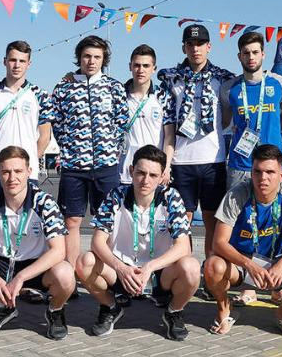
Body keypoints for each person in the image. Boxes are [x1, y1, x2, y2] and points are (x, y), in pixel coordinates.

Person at [0, 146, 75, 340]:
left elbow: (59, 251)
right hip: (0, 261)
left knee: (65, 274)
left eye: (18, 171)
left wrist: (21, 277)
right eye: (6, 172)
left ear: (29, 172)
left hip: (34, 264)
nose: (12, 178)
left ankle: (55, 311)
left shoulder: (44, 202)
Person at [77, 145, 197, 340]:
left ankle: (173, 312)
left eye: (152, 175)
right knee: (85, 261)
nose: (146, 180)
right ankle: (110, 307)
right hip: (122, 272)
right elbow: (97, 242)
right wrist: (121, 268)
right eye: (141, 173)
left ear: (161, 177)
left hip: (159, 273)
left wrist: (150, 267)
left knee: (191, 266)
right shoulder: (116, 195)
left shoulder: (171, 197)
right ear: (131, 171)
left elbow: (184, 246)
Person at [204, 144, 282, 337]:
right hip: (240, 264)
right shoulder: (237, 194)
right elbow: (219, 242)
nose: (262, 178)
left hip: (274, 263)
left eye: (270, 172)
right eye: (257, 172)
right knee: (212, 266)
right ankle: (224, 309)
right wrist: (249, 264)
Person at [158, 24, 236, 293]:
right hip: (182, 161)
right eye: (190, 44)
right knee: (183, 221)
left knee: (213, 220)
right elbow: (167, 122)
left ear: (209, 47)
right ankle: (185, 272)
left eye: (201, 44)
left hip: (212, 159)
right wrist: (166, 164)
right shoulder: (171, 78)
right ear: (184, 48)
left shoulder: (224, 78)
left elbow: (228, 114)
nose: (196, 49)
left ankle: (209, 275)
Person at [50, 36, 129, 280]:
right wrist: (71, 148)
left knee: (108, 222)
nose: (91, 61)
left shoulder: (114, 87)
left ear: (104, 60)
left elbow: (122, 121)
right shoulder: (64, 88)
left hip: (106, 166)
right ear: (79, 58)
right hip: (74, 166)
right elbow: (57, 122)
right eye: (87, 56)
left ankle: (109, 274)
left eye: (97, 57)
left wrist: (108, 148)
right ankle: (71, 276)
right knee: (72, 220)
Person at [0, 40, 53, 194]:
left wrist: (29, 159)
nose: (17, 65)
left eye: (22, 61)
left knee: (26, 216)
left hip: (26, 171)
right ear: (5, 61)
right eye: (13, 60)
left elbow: (45, 137)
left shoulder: (41, 95)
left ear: (28, 64)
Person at [221, 31, 282, 189]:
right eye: (246, 53)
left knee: (275, 213)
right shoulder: (228, 89)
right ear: (239, 56)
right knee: (238, 213)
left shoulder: (280, 83)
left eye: (255, 52)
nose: (251, 57)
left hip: (273, 165)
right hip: (240, 165)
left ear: (263, 54)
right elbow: (225, 121)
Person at [118, 45, 175, 186]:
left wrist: (166, 167)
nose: (141, 70)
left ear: (154, 68)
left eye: (146, 65)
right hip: (123, 172)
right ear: (130, 66)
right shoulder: (118, 95)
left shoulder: (164, 96)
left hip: (153, 173)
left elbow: (169, 136)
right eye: (136, 65)